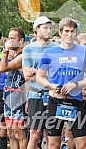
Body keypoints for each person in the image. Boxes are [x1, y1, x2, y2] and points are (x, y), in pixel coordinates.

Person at [36, 18, 86, 149]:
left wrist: (76, 84)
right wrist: (51, 86)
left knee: (83, 145)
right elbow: (39, 77)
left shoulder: (84, 51)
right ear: (60, 32)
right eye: (67, 31)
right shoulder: (49, 52)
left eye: (73, 31)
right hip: (55, 101)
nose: (70, 34)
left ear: (76, 33)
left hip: (75, 101)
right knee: (54, 144)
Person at [22, 16, 56, 149]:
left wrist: (38, 73)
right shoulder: (28, 49)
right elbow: (27, 75)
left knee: (52, 136)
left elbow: (58, 74)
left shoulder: (56, 48)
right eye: (45, 28)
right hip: (36, 95)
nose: (48, 31)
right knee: (35, 134)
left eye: (50, 28)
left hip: (53, 94)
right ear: (37, 29)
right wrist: (42, 75)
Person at [0, 28, 28, 149]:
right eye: (9, 37)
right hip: (9, 98)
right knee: (10, 133)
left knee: (19, 133)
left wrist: (5, 51)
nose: (9, 40)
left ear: (21, 40)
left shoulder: (22, 56)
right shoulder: (15, 56)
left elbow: (3, 68)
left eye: (12, 38)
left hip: (18, 99)